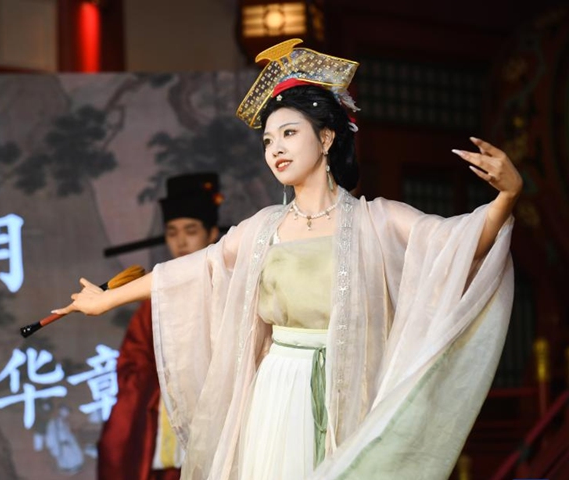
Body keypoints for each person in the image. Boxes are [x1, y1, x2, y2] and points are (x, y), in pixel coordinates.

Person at [56, 39, 521, 480]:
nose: (275, 148)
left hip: (350, 380)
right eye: (267, 140)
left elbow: (459, 246)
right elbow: (195, 270)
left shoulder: (377, 220)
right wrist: (107, 299)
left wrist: (507, 195)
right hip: (279, 387)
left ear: (326, 138)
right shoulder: (264, 228)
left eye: (289, 133)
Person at [98, 173, 222, 480]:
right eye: (172, 232)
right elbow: (132, 362)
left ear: (212, 234)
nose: (181, 241)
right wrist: (168, 382)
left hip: (220, 405)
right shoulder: (153, 301)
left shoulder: (227, 290)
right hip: (167, 409)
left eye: (191, 231)